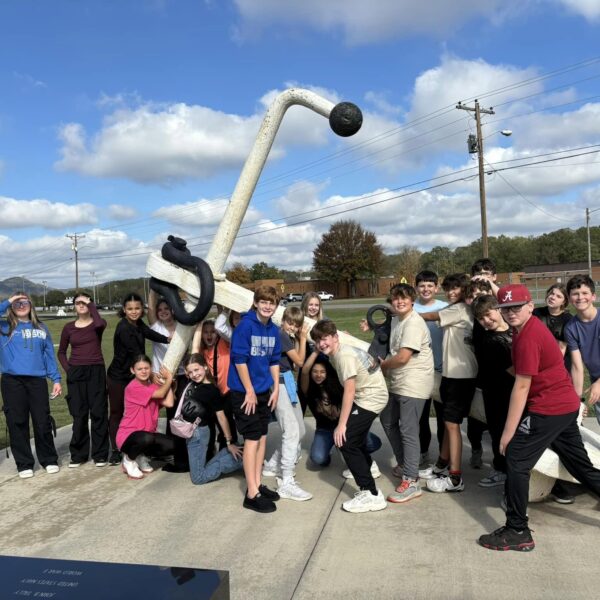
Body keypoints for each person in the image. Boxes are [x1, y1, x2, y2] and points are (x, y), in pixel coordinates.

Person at [478, 284, 600, 552]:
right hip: (565, 405)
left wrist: (508, 434)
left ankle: (517, 530)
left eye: (516, 307)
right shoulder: (525, 329)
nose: (511, 313)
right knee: (579, 465)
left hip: (550, 408)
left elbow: (521, 387)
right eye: (505, 309)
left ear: (530, 307)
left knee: (516, 459)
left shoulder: (528, 335)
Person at [310, 319, 389, 513]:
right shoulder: (337, 353)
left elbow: (350, 391)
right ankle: (369, 467)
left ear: (335, 337)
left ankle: (370, 493)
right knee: (353, 438)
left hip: (370, 397)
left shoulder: (343, 356)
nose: (322, 343)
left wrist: (342, 424)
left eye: (325, 338)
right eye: (318, 340)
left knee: (345, 440)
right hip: (367, 394)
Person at [419, 273, 478, 493]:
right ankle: (441, 467)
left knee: (452, 426)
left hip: (461, 377)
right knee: (447, 422)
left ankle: (455, 478)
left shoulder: (460, 308)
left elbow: (432, 315)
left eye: (456, 288)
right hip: (451, 375)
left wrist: (403, 312)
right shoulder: (458, 308)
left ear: (464, 291)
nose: (451, 292)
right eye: (448, 289)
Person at [228, 285, 281, 513]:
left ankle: (257, 483)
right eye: (264, 302)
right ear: (256, 303)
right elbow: (239, 360)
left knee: (262, 438)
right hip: (244, 392)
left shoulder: (274, 330)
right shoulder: (245, 326)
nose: (268, 306)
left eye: (272, 303)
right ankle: (251, 494)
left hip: (263, 391)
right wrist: (249, 390)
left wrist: (276, 388)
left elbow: (274, 361)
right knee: (251, 439)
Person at [379, 284, 434, 504]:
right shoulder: (397, 319)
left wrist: (383, 366)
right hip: (398, 381)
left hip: (414, 382)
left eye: (404, 298)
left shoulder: (413, 323)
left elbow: (402, 357)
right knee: (387, 420)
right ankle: (405, 465)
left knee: (408, 430)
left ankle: (411, 481)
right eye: (395, 299)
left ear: (412, 300)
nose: (399, 302)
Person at [1, 293, 62, 478]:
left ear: (31, 305)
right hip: (12, 381)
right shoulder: (4, 328)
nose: (21, 305)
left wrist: (56, 379)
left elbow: (49, 355)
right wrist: (9, 300)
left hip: (37, 381)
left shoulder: (41, 328)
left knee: (42, 420)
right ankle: (24, 463)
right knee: (17, 421)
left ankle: (49, 459)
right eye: (17, 303)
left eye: (24, 302)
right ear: (12, 307)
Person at [106, 293, 170, 465]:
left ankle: (140, 448)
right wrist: (150, 374)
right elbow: (136, 353)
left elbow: (148, 332)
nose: (134, 312)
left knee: (142, 411)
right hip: (119, 377)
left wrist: (167, 339)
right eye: (130, 309)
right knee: (117, 412)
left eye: (137, 308)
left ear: (142, 309)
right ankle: (115, 450)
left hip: (135, 374)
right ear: (124, 310)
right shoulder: (124, 328)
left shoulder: (138, 323)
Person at [301, 350, 382, 470]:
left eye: (322, 372)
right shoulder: (308, 388)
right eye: (315, 372)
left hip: (345, 427)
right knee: (318, 459)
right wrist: (316, 351)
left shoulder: (338, 384)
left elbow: (342, 362)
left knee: (374, 443)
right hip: (325, 429)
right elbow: (304, 371)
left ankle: (344, 448)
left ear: (328, 372)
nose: (318, 375)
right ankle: (333, 449)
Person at [262, 306, 312, 501]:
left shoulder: (287, 336)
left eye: (296, 325)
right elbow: (299, 361)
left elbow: (296, 362)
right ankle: (286, 480)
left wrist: (299, 338)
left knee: (300, 430)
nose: (292, 327)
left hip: (287, 382)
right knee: (291, 431)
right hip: (279, 383)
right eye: (290, 323)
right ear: (283, 320)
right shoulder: (282, 334)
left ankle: (272, 464)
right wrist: (302, 337)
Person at [533, 283, 576, 504]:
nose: (552, 297)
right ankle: (542, 480)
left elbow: (561, 351)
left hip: (558, 379)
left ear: (564, 302)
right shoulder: (536, 314)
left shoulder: (568, 321)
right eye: (551, 293)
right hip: (536, 379)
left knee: (560, 437)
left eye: (558, 295)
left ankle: (563, 485)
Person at [57, 292, 109, 467]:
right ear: (74, 306)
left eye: (85, 303)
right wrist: (69, 370)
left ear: (90, 305)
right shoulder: (68, 327)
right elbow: (61, 352)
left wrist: (91, 305)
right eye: (77, 303)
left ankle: (100, 454)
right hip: (76, 373)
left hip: (96, 371)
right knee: (79, 415)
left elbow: (101, 322)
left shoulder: (97, 324)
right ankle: (79, 455)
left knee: (98, 413)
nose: (81, 305)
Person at [177, 354, 243, 485]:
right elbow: (193, 354)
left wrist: (229, 442)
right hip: (190, 432)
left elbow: (221, 417)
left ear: (205, 367)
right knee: (200, 470)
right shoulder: (193, 384)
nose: (194, 374)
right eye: (190, 372)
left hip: (198, 434)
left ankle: (244, 459)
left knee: (198, 478)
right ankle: (235, 454)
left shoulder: (211, 390)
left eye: (197, 370)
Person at [471, 295, 513, 489]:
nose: (486, 321)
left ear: (499, 310)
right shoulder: (489, 340)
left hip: (517, 393)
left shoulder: (515, 330)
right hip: (496, 394)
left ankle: (512, 469)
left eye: (488, 315)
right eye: (481, 319)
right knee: (499, 432)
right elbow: (514, 370)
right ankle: (501, 469)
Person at [147, 290, 189, 473]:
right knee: (160, 415)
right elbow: (150, 307)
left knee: (179, 415)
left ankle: (179, 452)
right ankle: (163, 450)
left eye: (167, 308)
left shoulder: (182, 327)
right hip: (161, 377)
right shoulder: (156, 328)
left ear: (173, 310)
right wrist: (153, 289)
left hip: (180, 376)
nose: (163, 311)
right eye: (160, 309)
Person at [116, 355, 175, 479]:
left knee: (172, 445)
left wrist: (165, 382)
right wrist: (169, 378)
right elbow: (161, 393)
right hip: (128, 436)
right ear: (133, 370)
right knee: (146, 438)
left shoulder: (152, 387)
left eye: (146, 368)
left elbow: (169, 403)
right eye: (139, 369)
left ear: (151, 368)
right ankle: (128, 460)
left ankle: (140, 456)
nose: (143, 371)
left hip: (146, 435)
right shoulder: (133, 387)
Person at [412, 270, 447, 463]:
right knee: (420, 417)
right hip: (418, 371)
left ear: (436, 287)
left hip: (442, 369)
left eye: (429, 285)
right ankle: (422, 450)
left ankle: (444, 454)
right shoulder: (408, 306)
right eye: (422, 285)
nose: (426, 289)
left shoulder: (446, 307)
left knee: (443, 417)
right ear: (416, 288)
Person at [192, 317, 238, 452]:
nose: (209, 335)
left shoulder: (224, 344)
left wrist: (221, 311)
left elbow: (223, 326)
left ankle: (229, 447)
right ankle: (212, 449)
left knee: (228, 421)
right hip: (213, 393)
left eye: (212, 332)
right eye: (205, 332)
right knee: (213, 422)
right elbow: (195, 347)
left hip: (227, 391)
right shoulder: (202, 351)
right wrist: (199, 323)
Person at [566, 274, 600, 428]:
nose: (580, 297)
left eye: (585, 293)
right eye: (575, 294)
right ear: (569, 298)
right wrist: (577, 401)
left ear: (593, 296)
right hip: (596, 382)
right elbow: (577, 367)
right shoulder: (571, 328)